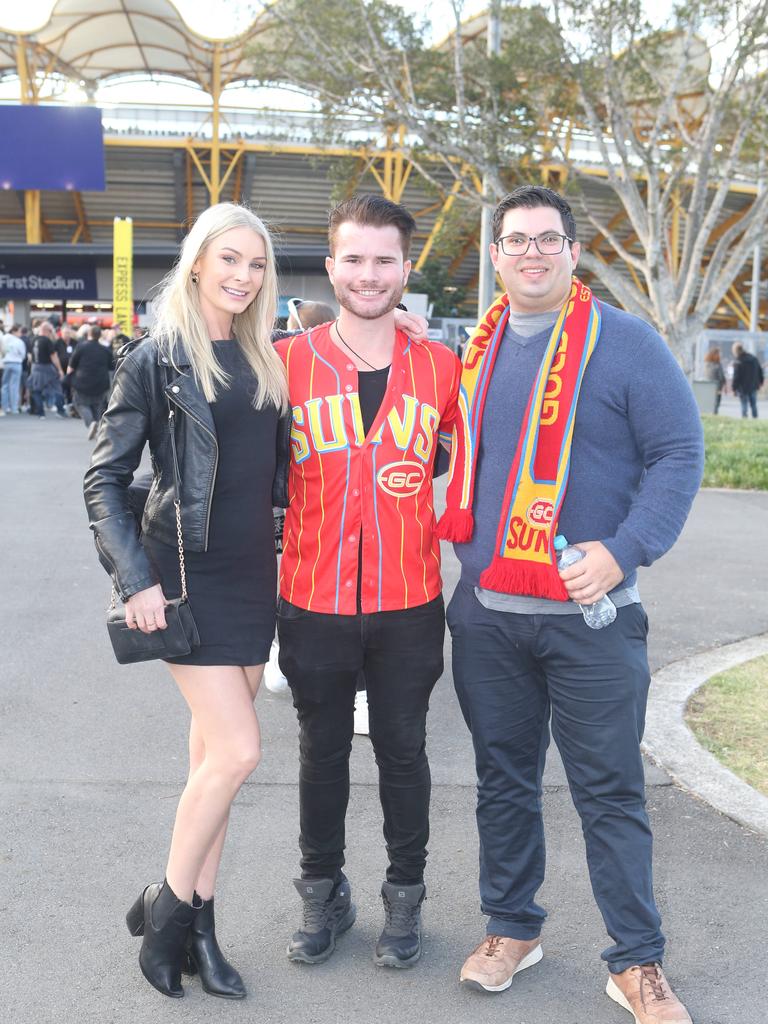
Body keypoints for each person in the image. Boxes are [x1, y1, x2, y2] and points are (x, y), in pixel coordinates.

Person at [437, 186, 704, 1024]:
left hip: (592, 619)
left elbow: (678, 451)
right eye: (516, 241)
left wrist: (623, 550)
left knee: (610, 790)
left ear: (574, 252)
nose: (531, 255)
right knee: (503, 781)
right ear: (495, 255)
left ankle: (637, 962)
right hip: (487, 615)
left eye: (548, 240)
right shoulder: (470, 353)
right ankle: (513, 927)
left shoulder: (623, 344)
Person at [83, 203, 290, 1001]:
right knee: (239, 752)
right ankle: (165, 914)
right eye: (229, 259)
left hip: (251, 581)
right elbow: (104, 478)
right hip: (180, 581)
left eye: (257, 263)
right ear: (198, 261)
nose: (243, 276)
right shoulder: (156, 357)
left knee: (213, 765)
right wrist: (133, 580)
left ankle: (201, 924)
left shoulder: (266, 357)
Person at [275, 194, 461, 969]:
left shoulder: (443, 368)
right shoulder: (286, 361)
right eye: (353, 258)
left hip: (409, 601)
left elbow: (463, 461)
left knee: (404, 753)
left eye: (385, 259)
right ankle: (324, 896)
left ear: (406, 269)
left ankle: (405, 899)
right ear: (330, 267)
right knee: (320, 752)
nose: (369, 274)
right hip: (312, 596)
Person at [68, 324, 116, 438]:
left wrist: (68, 377)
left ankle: (91, 424)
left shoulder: (81, 347)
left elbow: (72, 365)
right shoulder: (105, 350)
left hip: (83, 381)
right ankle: (98, 425)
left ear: (88, 334)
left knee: (80, 403)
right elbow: (111, 366)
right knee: (97, 405)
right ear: (100, 335)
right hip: (101, 382)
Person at [29, 321, 66, 417]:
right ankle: (60, 410)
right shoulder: (47, 340)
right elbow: (54, 356)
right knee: (57, 387)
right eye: (50, 330)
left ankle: (40, 413)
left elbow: (30, 356)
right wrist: (60, 370)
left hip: (35, 367)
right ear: (46, 330)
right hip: (46, 367)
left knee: (36, 390)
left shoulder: (34, 339)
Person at [731, 342, 764, 418]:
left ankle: (744, 418)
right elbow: (760, 371)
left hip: (742, 387)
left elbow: (736, 376)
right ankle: (755, 418)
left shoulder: (738, 361)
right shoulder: (753, 358)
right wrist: (760, 382)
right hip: (753, 385)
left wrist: (734, 388)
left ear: (735, 351)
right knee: (753, 404)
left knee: (744, 404)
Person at [0, 324, 27, 414]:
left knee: (5, 385)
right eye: (19, 331)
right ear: (14, 331)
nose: (20, 334)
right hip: (16, 363)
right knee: (14, 386)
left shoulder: (3, 338)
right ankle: (14, 407)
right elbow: (23, 354)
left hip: (6, 363)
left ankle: (5, 407)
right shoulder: (19, 341)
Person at [703, 346, 726, 414]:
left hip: (708, 387)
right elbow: (721, 377)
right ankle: (715, 414)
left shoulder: (707, 364)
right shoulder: (718, 365)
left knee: (710, 403)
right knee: (716, 404)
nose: (720, 355)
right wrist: (723, 385)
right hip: (717, 387)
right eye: (719, 353)